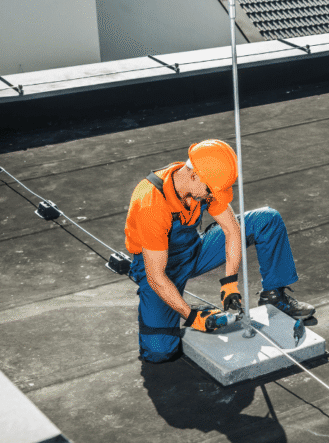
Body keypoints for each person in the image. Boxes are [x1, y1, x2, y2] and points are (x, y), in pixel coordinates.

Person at [124, 139, 314, 362]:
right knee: (159, 351)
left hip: (193, 251)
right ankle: (183, 306)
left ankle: (274, 295)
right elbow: (156, 275)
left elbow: (232, 231)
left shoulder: (204, 183)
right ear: (193, 175)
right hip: (159, 268)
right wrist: (192, 316)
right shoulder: (151, 204)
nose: (209, 197)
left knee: (267, 220)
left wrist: (230, 281)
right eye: (208, 192)